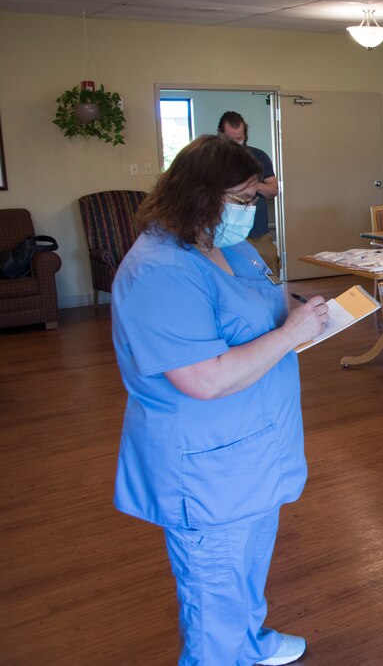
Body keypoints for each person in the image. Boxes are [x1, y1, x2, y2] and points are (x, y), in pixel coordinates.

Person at [111, 135, 329, 665]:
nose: (251, 211)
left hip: (254, 451)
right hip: (208, 466)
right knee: (213, 593)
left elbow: (258, 306)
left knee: (247, 568)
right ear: (200, 194)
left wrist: (302, 314)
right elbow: (202, 380)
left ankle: (249, 642)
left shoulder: (224, 244)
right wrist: (291, 333)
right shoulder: (159, 270)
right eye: (244, 199)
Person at [218, 111, 280, 275]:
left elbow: (273, 190)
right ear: (221, 134)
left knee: (270, 266)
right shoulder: (212, 160)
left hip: (258, 232)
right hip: (225, 233)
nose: (236, 143)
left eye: (239, 139)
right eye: (232, 140)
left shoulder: (259, 156)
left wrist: (253, 185)